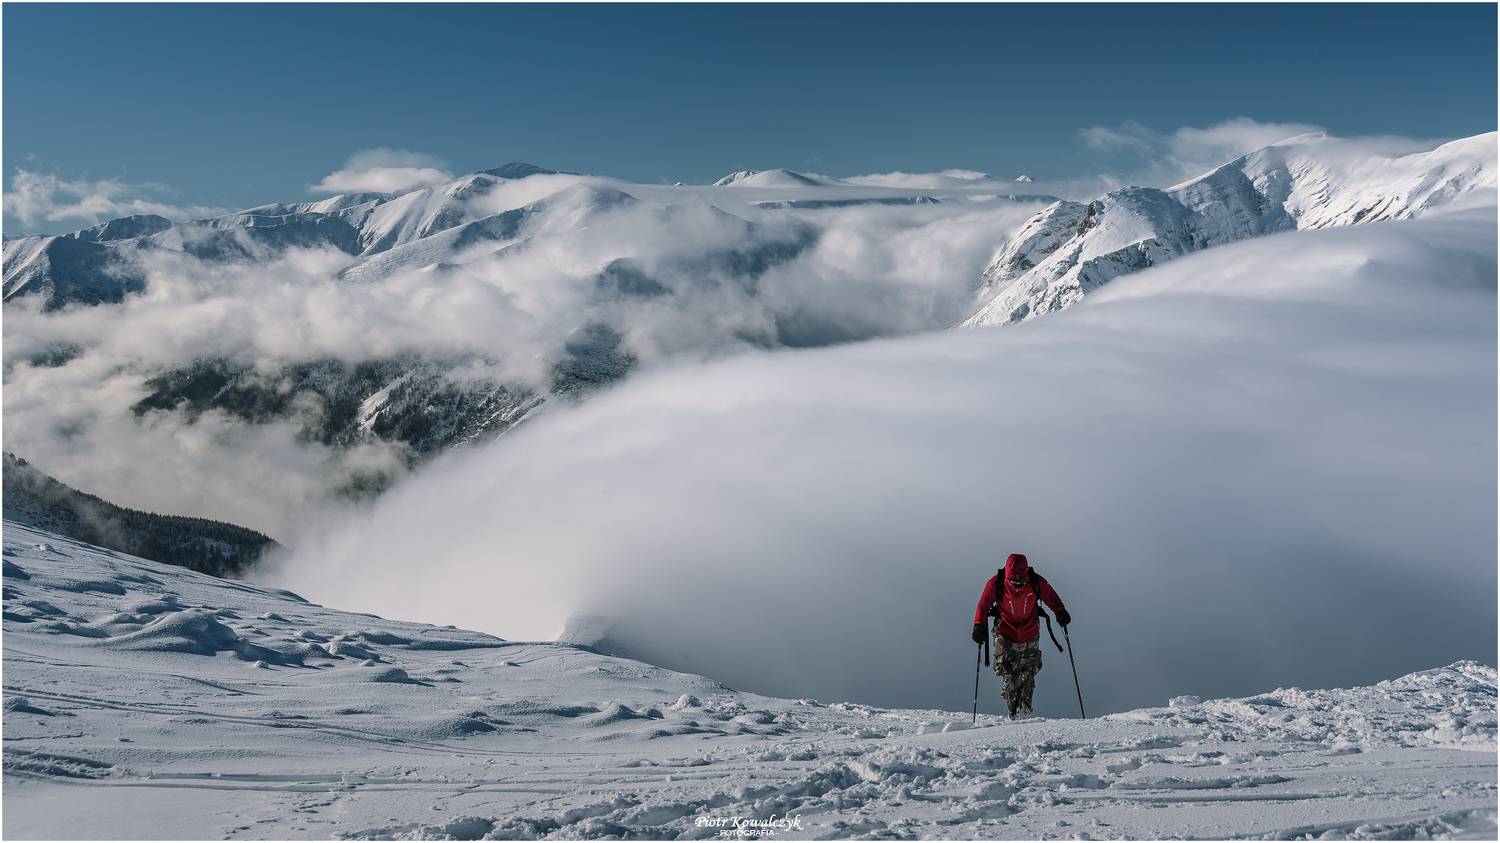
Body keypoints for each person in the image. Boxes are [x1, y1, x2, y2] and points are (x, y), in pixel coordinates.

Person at [971, 553, 1071, 719]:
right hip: (1005, 633)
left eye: (1020, 581)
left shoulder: (1036, 582)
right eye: (1013, 581)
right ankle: (1013, 712)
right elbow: (982, 606)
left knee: (1028, 673)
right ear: (1007, 577)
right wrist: (978, 625)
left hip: (1029, 632)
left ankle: (1024, 711)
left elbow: (1051, 597)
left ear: (1026, 575)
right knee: (1010, 672)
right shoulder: (995, 584)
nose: (1017, 584)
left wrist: (1060, 611)